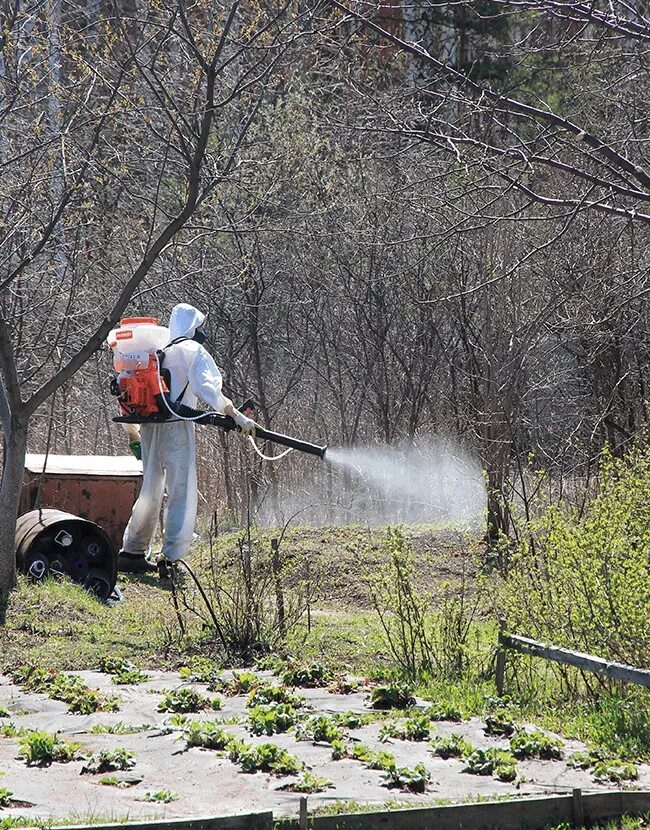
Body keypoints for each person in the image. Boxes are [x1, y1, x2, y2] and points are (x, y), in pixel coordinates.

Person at [118, 303, 256, 574]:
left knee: (151, 489)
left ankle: (132, 551)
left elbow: (129, 394)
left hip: (149, 427)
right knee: (181, 490)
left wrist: (133, 434)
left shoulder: (156, 353)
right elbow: (208, 388)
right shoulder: (193, 351)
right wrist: (235, 415)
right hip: (177, 426)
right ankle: (171, 558)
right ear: (193, 327)